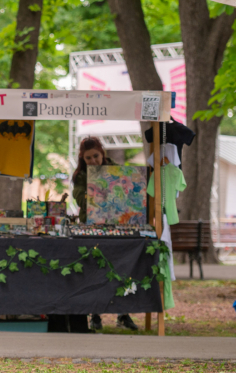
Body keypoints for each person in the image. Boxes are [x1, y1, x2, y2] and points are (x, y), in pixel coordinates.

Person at [71, 136, 140, 332]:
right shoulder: (81, 176)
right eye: (88, 158)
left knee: (122, 268)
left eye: (95, 156)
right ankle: (95, 315)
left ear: (102, 154)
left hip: (118, 227)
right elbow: (79, 198)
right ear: (83, 159)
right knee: (95, 270)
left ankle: (123, 313)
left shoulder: (117, 171)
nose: (93, 161)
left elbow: (130, 194)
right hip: (92, 227)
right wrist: (94, 192)